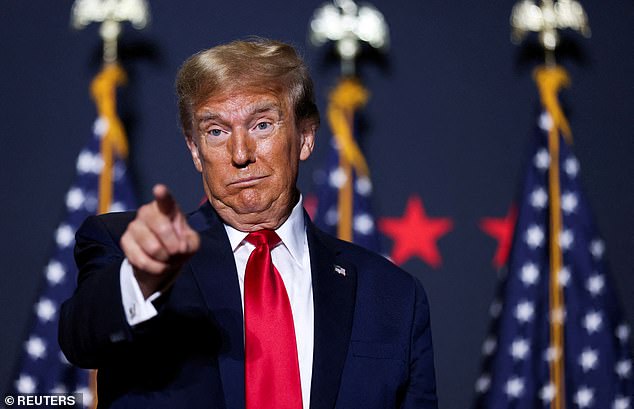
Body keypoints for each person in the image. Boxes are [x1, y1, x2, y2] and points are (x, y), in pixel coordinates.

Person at [59, 38, 438, 409]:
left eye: (261, 125)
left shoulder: (393, 295)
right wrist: (142, 277)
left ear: (305, 137)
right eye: (216, 131)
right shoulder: (127, 249)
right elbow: (80, 339)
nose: (240, 154)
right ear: (195, 150)